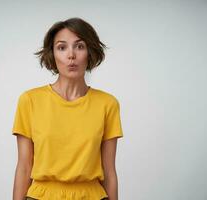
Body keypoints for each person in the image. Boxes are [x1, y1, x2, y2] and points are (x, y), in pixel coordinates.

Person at [12, 17, 124, 200]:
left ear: (90, 52)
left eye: (79, 46)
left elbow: (109, 171)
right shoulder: (30, 101)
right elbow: (24, 167)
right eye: (62, 47)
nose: (71, 55)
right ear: (52, 54)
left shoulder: (108, 104)